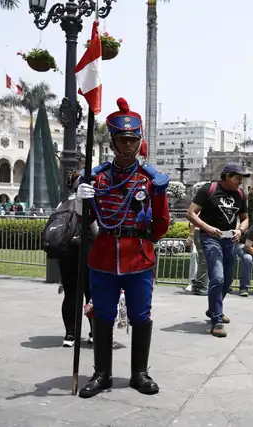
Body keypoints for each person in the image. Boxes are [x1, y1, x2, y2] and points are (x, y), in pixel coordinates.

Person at [74, 98, 170, 398]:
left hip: (138, 256)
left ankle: (139, 373)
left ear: (138, 142)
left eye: (132, 140)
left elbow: (162, 223)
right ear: (113, 143)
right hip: (103, 255)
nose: (128, 146)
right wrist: (80, 200)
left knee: (141, 314)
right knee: (102, 314)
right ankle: (102, 374)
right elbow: (86, 219)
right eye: (122, 141)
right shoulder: (98, 178)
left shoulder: (150, 180)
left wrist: (145, 241)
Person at [186, 163, 250, 338]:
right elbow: (191, 213)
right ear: (228, 176)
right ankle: (216, 320)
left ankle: (214, 308)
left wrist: (240, 230)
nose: (240, 181)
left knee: (228, 279)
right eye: (238, 177)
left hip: (230, 240)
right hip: (210, 238)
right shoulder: (209, 189)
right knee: (218, 277)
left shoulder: (240, 194)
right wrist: (207, 228)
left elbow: (245, 219)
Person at [58, 171, 95, 347]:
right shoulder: (86, 202)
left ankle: (70, 335)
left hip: (66, 254)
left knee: (70, 294)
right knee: (91, 294)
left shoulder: (62, 204)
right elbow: (95, 230)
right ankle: (94, 332)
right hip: (86, 251)